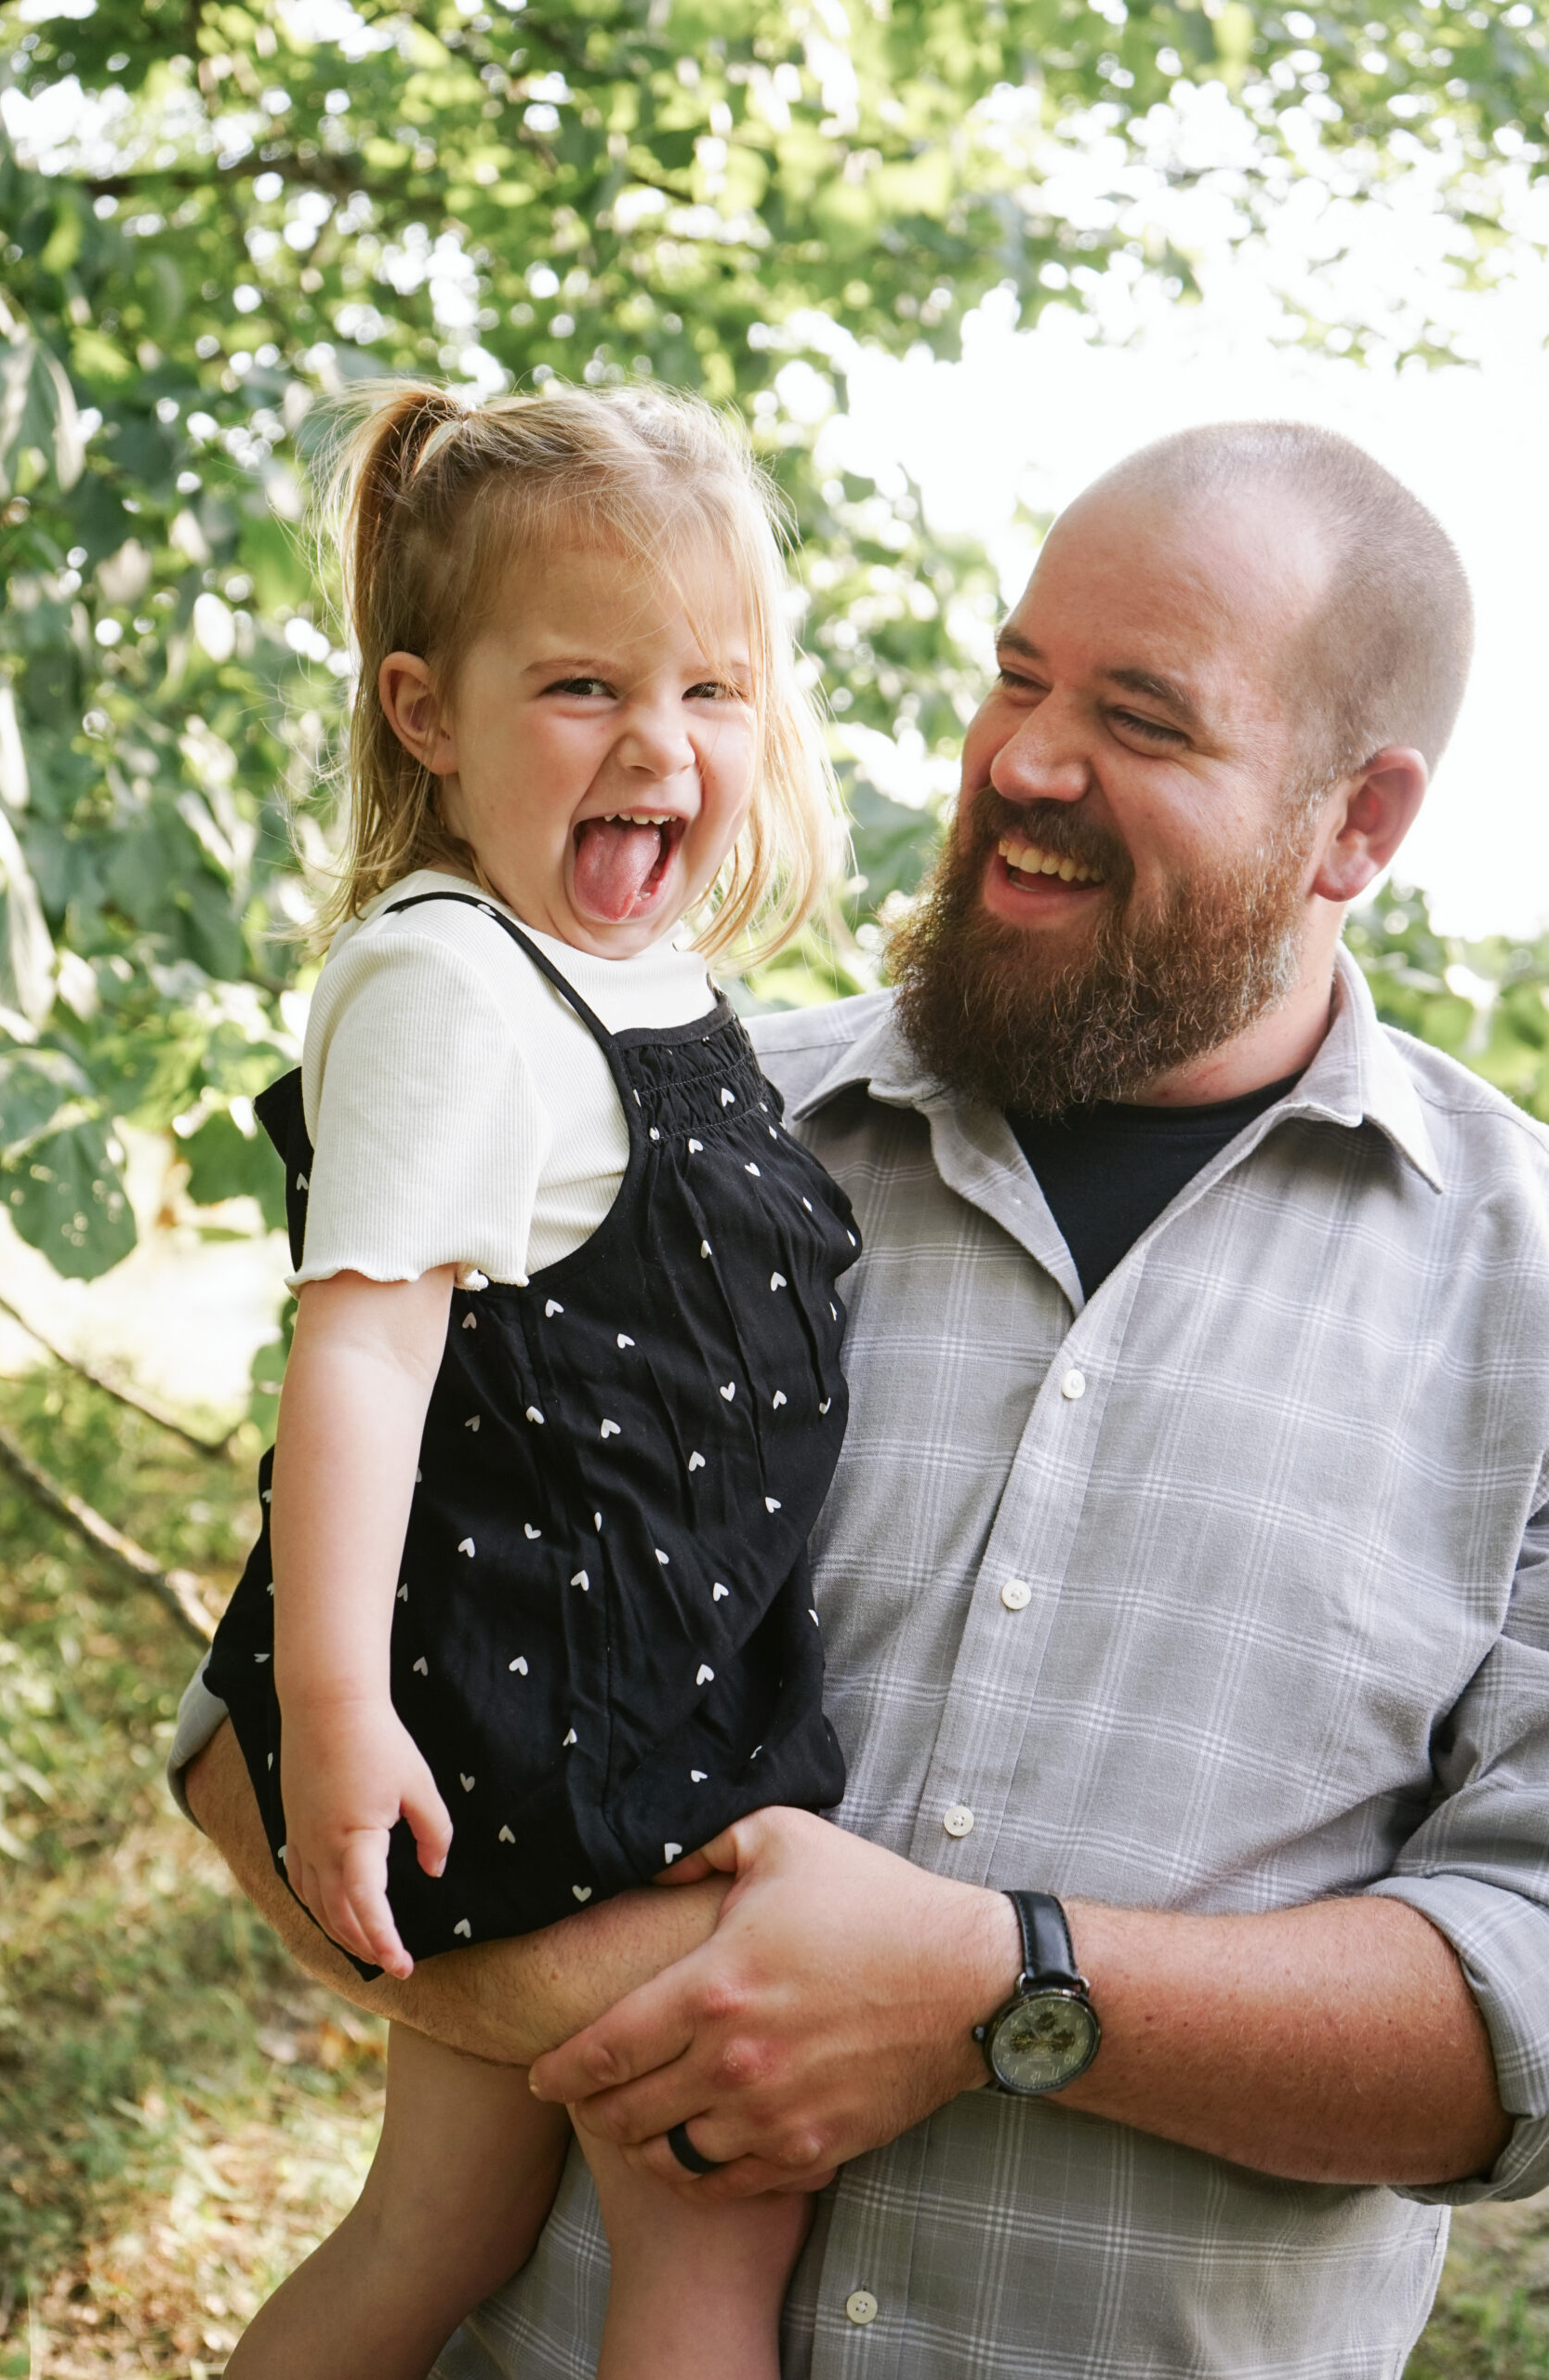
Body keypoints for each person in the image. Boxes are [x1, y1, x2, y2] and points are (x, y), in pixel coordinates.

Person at [174, 419, 1549, 2380]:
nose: (1020, 761)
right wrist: (660, 2014)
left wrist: (1002, 1988)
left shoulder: (1525, 1294)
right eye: (1014, 677)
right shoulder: (669, 1122)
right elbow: (280, 1720)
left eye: (1139, 720)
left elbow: (1526, 2004)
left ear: (1355, 823)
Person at [198, 379, 865, 2380]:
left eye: (713, 691)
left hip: (635, 1695)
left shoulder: (647, 987)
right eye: (582, 685)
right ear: (426, 712)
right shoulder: (452, 980)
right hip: (530, 1722)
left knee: (440, 2220)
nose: (658, 744)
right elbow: (366, 1349)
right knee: (712, 2208)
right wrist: (327, 1716)